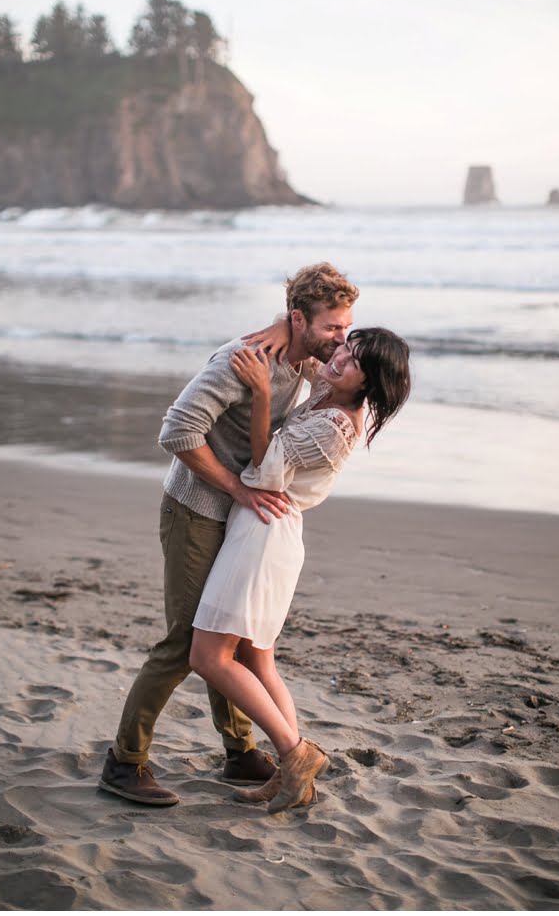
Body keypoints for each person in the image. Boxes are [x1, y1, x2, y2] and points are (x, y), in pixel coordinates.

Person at [98, 262, 359, 806]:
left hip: (243, 519)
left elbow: (322, 395)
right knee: (184, 642)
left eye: (344, 328)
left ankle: (240, 751)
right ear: (300, 319)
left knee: (232, 636)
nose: (342, 339)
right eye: (333, 327)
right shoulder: (241, 360)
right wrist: (238, 490)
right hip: (195, 510)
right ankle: (124, 764)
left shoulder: (305, 361)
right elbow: (176, 431)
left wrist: (287, 331)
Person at [189, 328, 411, 813]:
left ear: (368, 384)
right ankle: (294, 779)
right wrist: (281, 326)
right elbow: (309, 330)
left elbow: (264, 470)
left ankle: (295, 756)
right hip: (269, 529)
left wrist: (264, 391)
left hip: (264, 535)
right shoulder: (329, 392)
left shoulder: (335, 426)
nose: (339, 360)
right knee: (257, 661)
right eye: (346, 348)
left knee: (208, 658)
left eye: (353, 362)